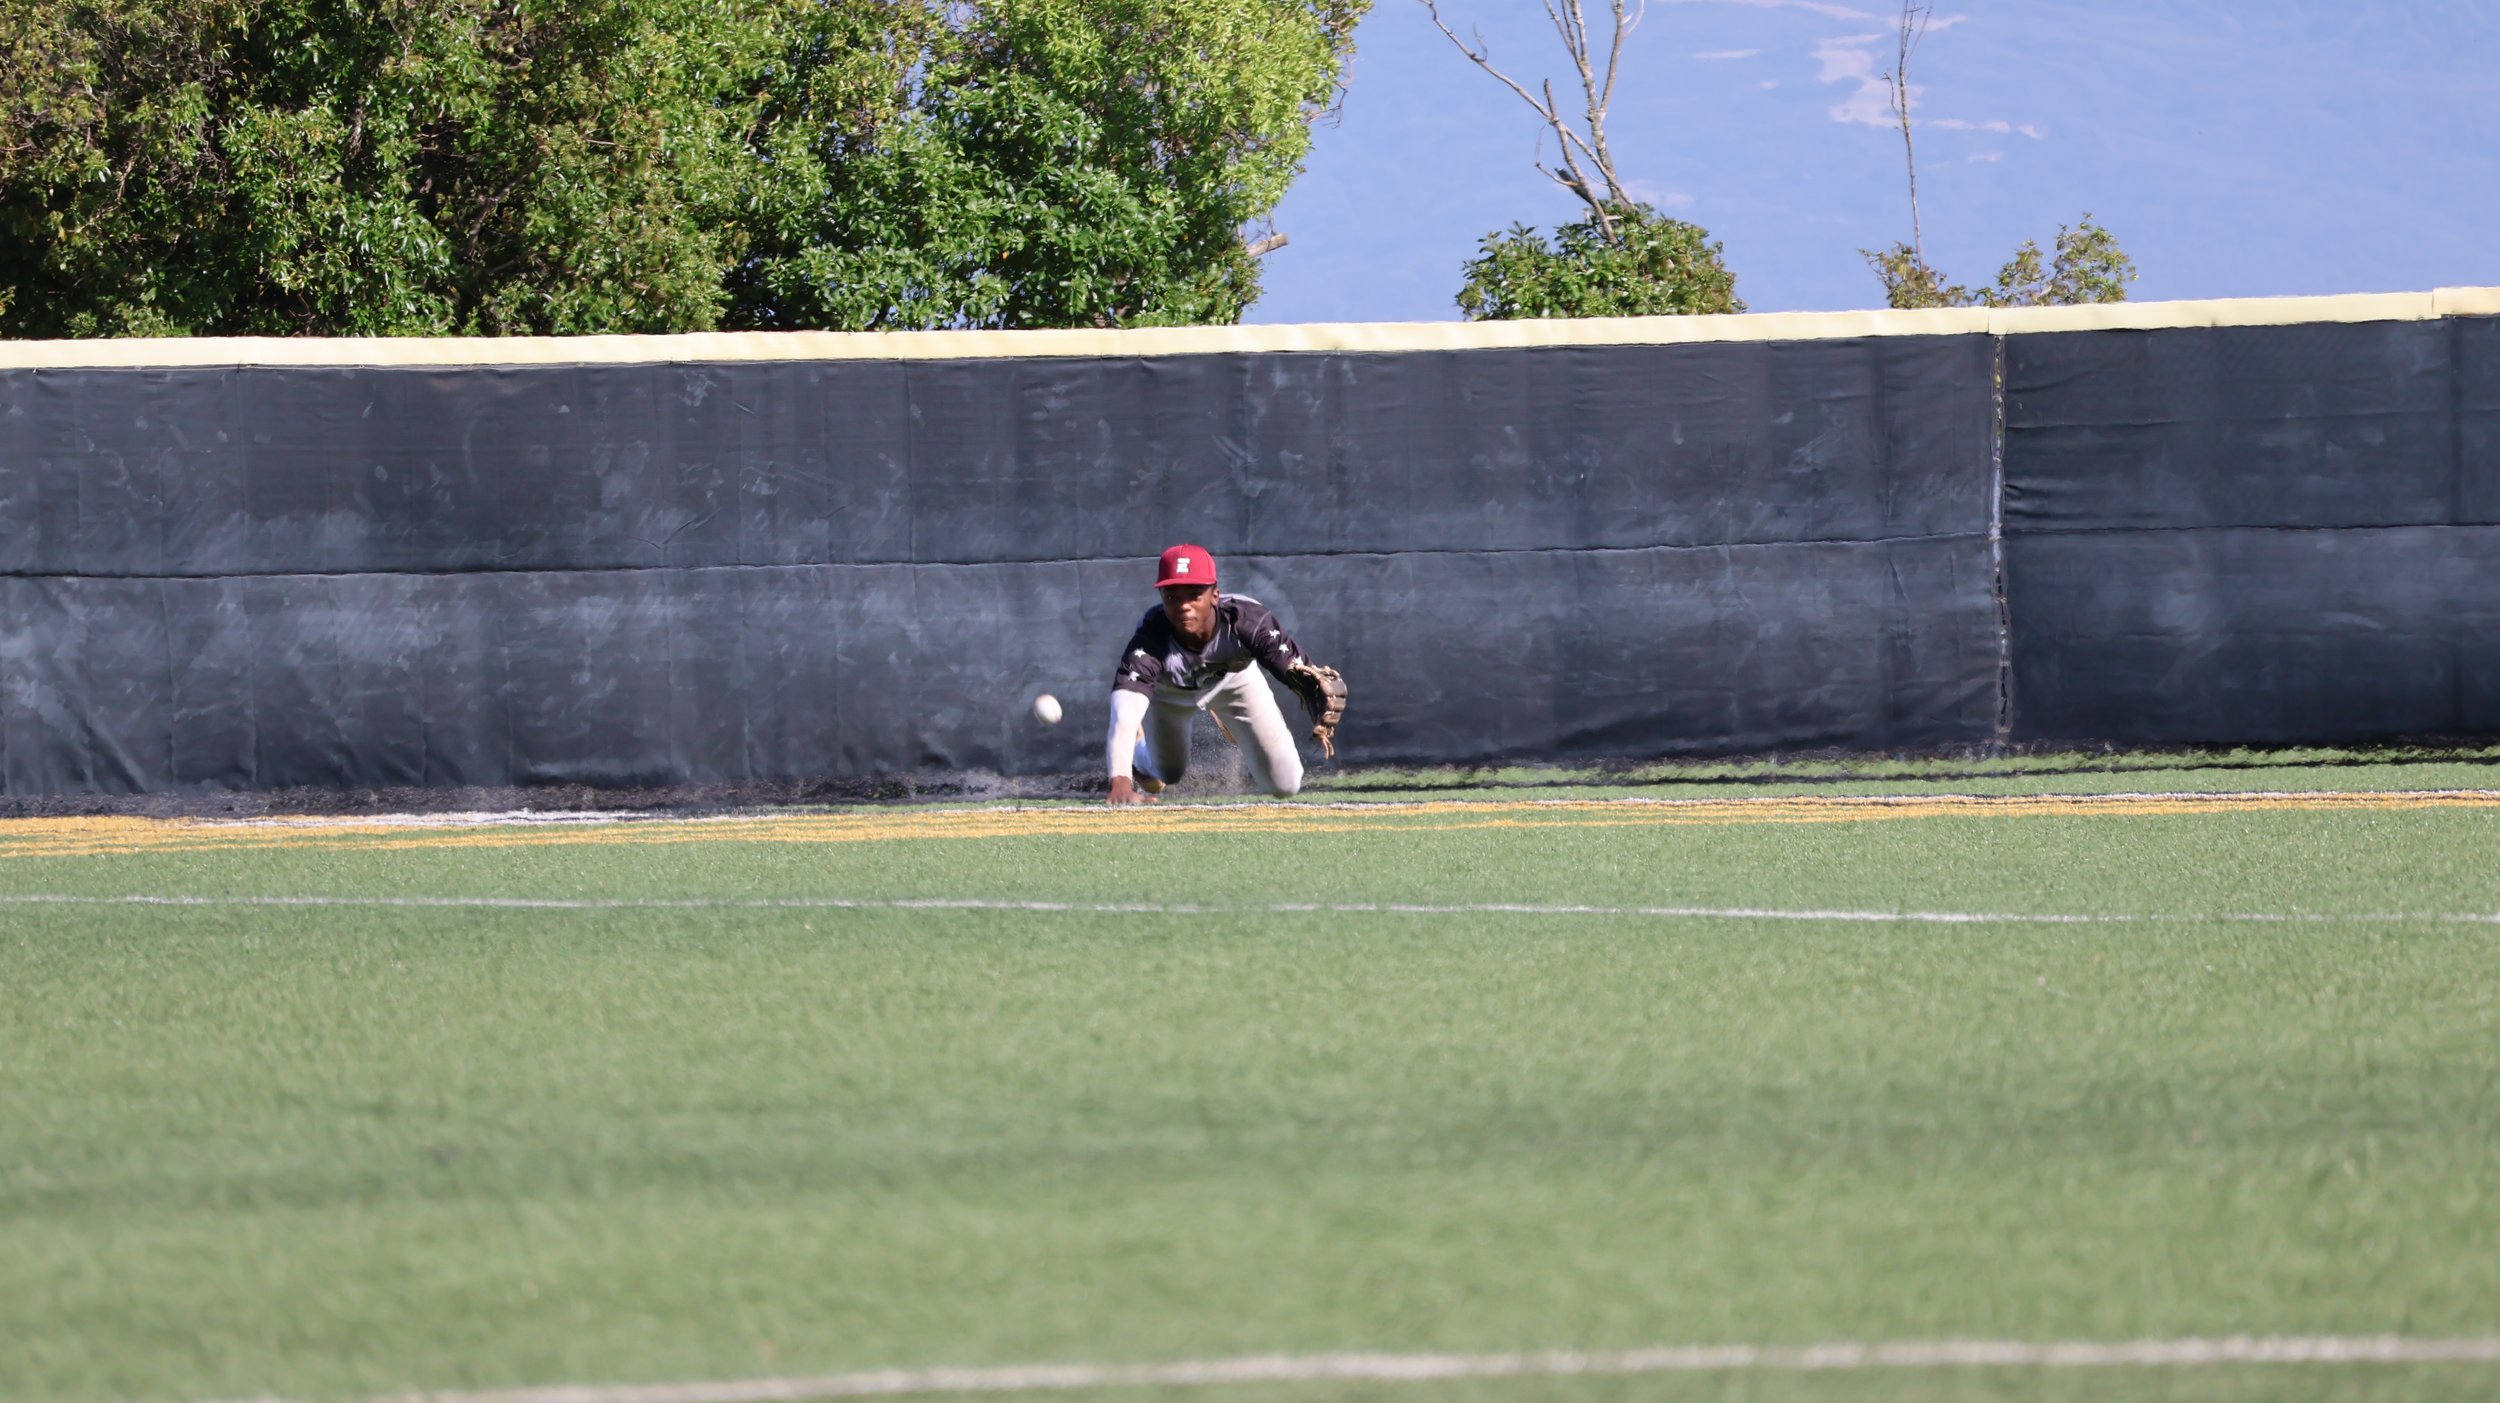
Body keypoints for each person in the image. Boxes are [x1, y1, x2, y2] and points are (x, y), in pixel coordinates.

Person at [1104, 544, 1346, 805]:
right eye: (1172, 596)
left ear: (1215, 595)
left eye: (1195, 594)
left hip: (1236, 682)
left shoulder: (1248, 622)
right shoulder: (1150, 638)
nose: (1184, 606)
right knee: (1168, 773)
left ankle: (1226, 715)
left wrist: (1313, 691)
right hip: (1171, 693)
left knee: (1286, 784)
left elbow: (1299, 672)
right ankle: (1140, 757)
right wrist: (1120, 781)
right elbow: (1123, 715)